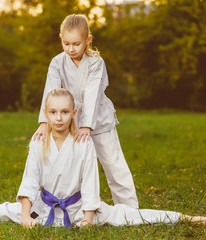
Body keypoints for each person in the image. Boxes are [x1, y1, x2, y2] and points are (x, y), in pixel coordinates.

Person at [0, 89, 206, 228]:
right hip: (43, 208)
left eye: (64, 112)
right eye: (53, 112)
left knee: (131, 216)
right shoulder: (38, 139)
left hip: (78, 209)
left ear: (74, 113)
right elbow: (29, 180)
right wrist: (26, 216)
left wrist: (87, 216)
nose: (58, 118)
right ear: (46, 113)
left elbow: (90, 180)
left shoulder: (82, 141)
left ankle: (198, 219)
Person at [33, 14, 138, 208]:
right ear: (60, 39)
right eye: (66, 43)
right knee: (74, 166)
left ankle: (129, 209)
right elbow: (51, 93)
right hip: (68, 121)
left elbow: (92, 94)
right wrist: (44, 123)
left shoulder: (96, 62)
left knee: (114, 164)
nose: (71, 49)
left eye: (76, 44)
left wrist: (87, 126)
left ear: (88, 40)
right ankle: (78, 207)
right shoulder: (57, 63)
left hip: (98, 119)